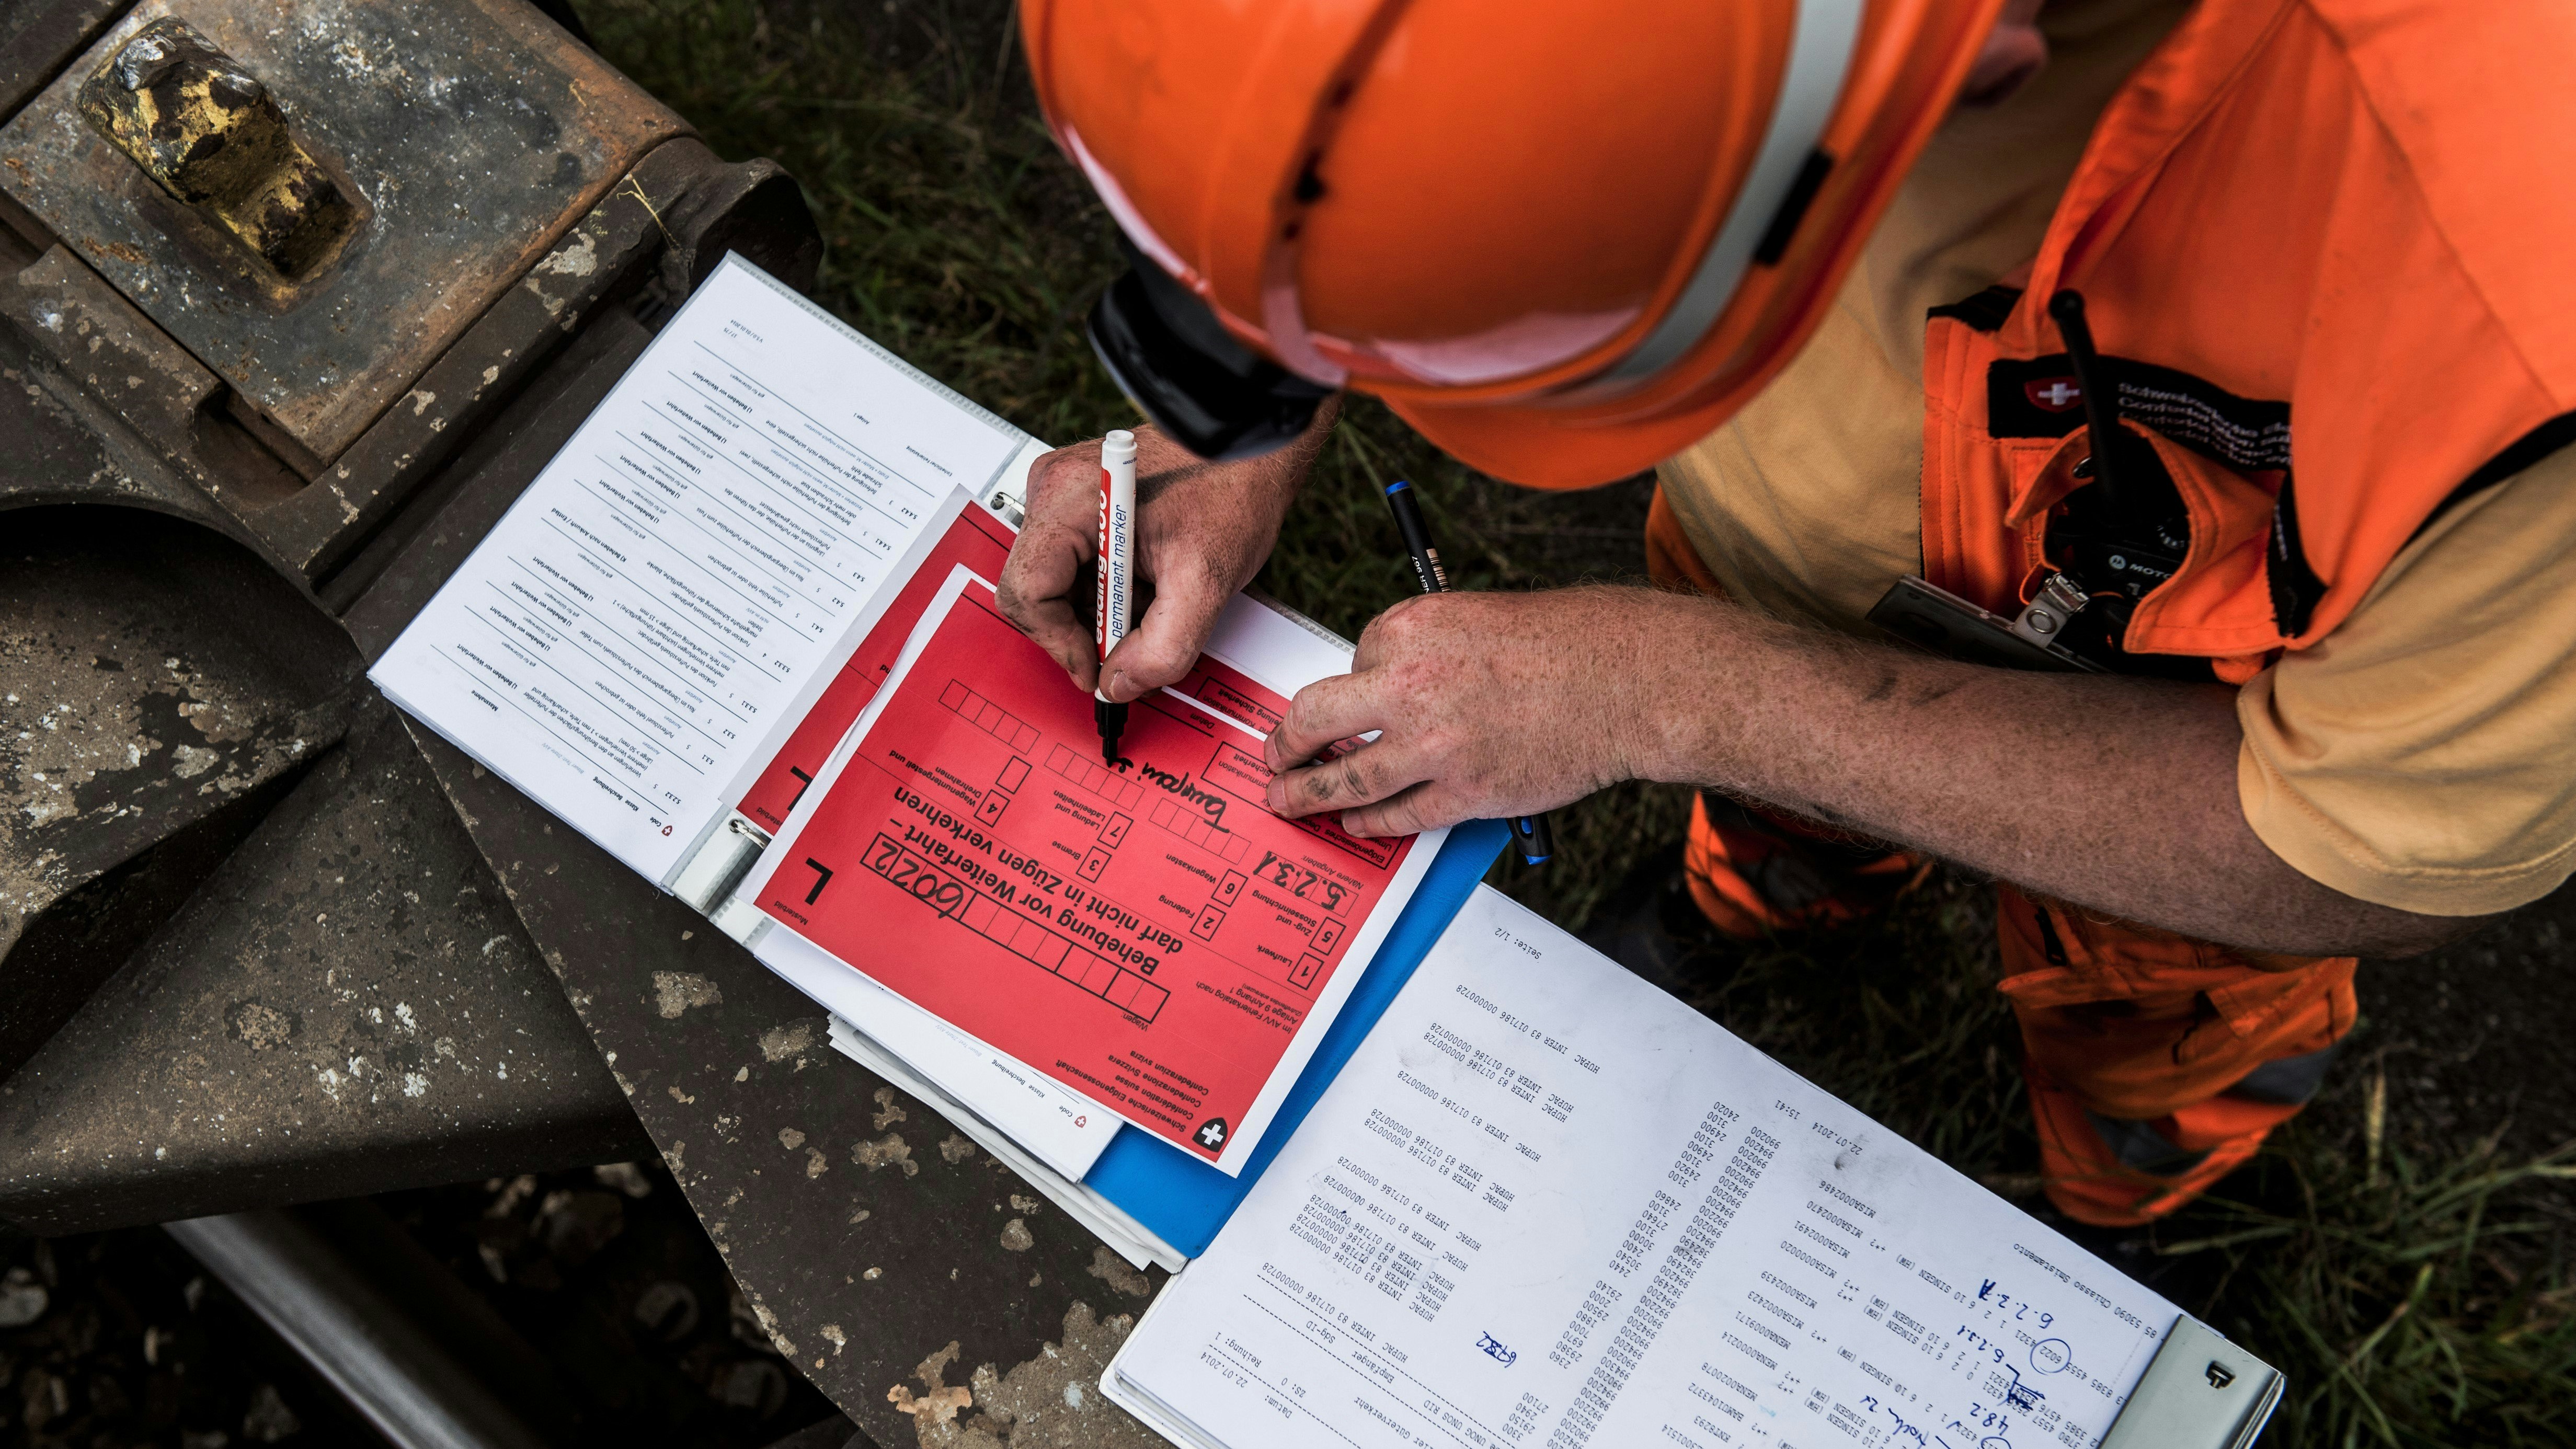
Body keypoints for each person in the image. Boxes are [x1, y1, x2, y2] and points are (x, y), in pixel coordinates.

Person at [995, 0, 2576, 1228]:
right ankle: (1761, 892)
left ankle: (2133, 1191)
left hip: (2190, 793)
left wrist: (1671, 696)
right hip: (1772, 541)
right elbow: (1389, 79)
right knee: (1764, 815)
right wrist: (1240, 410)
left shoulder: (2520, 298)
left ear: (1984, 67)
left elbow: (2355, 843)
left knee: (2165, 1030)